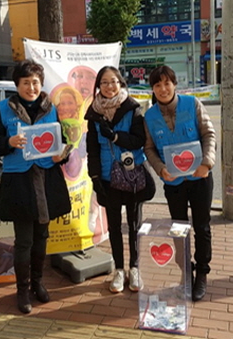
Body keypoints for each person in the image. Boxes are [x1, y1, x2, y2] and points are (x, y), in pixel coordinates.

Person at [0, 59, 71, 314]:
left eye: (35, 82)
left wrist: (63, 154)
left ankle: (38, 283)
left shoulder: (51, 108)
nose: (31, 87)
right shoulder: (4, 109)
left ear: (41, 83)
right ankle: (22, 290)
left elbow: (64, 141)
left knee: (42, 237)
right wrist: (10, 141)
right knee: (23, 241)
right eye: (26, 83)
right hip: (19, 181)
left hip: (47, 179)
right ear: (17, 85)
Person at [143, 65, 217, 302]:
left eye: (167, 83)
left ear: (174, 84)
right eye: (157, 85)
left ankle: (202, 273)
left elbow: (209, 134)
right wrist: (160, 169)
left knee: (202, 227)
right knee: (178, 228)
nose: (163, 89)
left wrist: (207, 163)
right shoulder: (150, 116)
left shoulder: (192, 104)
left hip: (200, 178)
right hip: (173, 182)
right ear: (152, 89)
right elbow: (149, 148)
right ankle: (186, 271)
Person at [85, 65, 155, 293]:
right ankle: (119, 270)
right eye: (104, 82)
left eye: (113, 81)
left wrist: (115, 136)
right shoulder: (93, 114)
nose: (109, 86)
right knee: (114, 226)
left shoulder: (132, 108)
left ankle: (135, 268)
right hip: (107, 176)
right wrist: (94, 176)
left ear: (121, 83)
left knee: (134, 224)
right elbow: (92, 149)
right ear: (98, 86)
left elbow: (138, 140)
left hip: (132, 173)